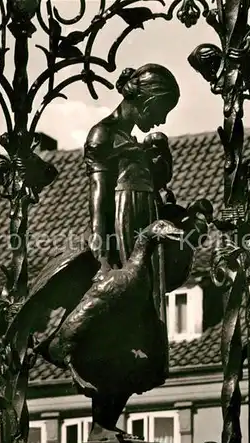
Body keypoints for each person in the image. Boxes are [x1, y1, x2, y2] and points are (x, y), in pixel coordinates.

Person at [84, 64, 180, 282]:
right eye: (161, 112)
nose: (162, 121)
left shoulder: (131, 140)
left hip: (141, 224)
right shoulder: (103, 135)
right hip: (122, 231)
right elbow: (99, 194)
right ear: (147, 104)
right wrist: (101, 252)